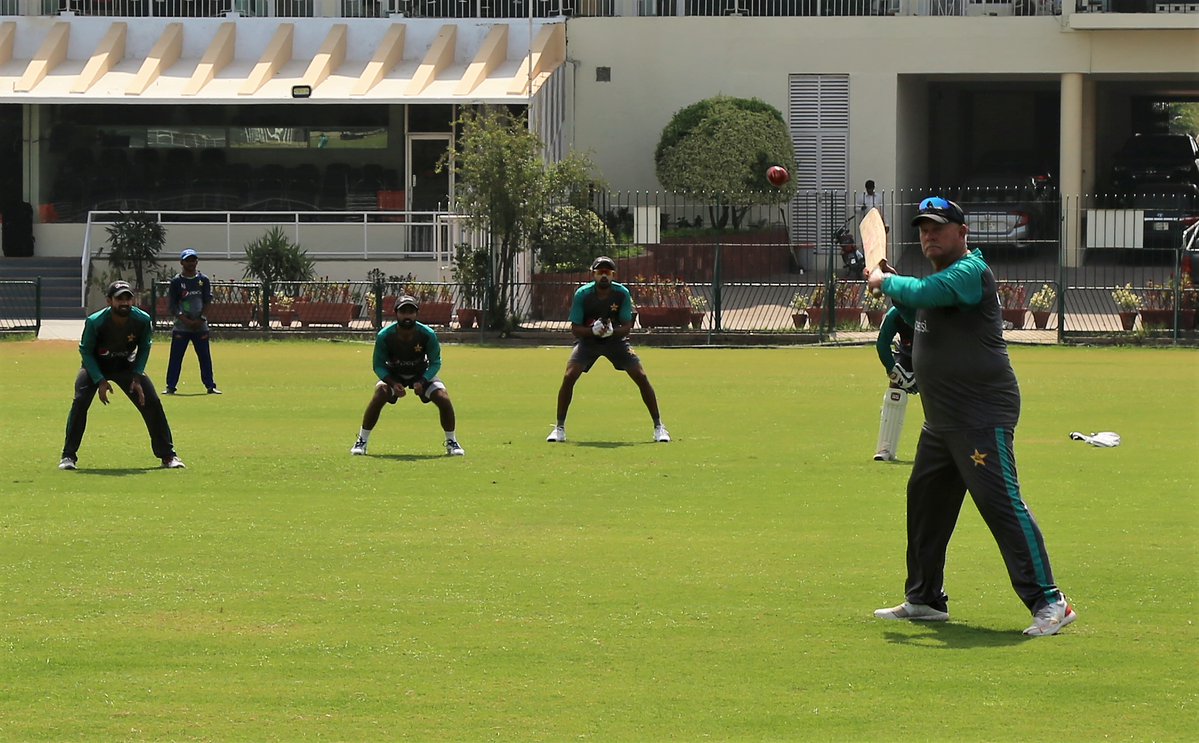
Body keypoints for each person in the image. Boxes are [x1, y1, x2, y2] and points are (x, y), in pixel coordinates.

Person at [866, 196, 1076, 637]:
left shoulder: (969, 272)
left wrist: (887, 281)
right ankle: (924, 599)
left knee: (1001, 505)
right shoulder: (940, 280)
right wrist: (891, 295)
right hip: (941, 419)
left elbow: (924, 294)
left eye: (938, 228)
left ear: (963, 234)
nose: (928, 235)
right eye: (923, 228)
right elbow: (918, 308)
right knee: (925, 507)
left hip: (981, 414)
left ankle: (1050, 601)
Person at [59, 281, 185, 470]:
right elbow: (85, 351)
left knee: (151, 402)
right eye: (119, 299)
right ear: (109, 301)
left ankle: (168, 456)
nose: (124, 303)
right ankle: (68, 456)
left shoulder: (142, 320)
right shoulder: (96, 321)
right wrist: (99, 380)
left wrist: (136, 377)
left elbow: (144, 347)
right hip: (96, 365)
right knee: (80, 401)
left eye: (128, 298)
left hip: (126, 365)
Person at [547, 256, 670, 444]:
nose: (603, 275)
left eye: (607, 272)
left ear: (613, 274)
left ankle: (659, 427)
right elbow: (575, 328)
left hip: (616, 342)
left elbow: (627, 326)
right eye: (599, 272)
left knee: (641, 376)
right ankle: (559, 428)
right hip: (589, 342)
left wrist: (612, 331)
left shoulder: (621, 293)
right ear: (593, 274)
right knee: (569, 376)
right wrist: (592, 331)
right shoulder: (583, 294)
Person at [350, 295, 465, 457]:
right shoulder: (385, 336)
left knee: (443, 398)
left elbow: (435, 363)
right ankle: (362, 441)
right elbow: (378, 365)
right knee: (380, 395)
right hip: (394, 374)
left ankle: (452, 442)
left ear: (416, 314)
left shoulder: (427, 334)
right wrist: (392, 382)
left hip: (421, 374)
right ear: (396, 313)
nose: (407, 316)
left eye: (411, 312)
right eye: (403, 311)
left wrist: (423, 380)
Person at [165, 248, 221, 395]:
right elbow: (173, 305)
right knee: (176, 357)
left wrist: (201, 318)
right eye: (188, 260)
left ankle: (210, 385)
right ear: (182, 262)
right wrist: (185, 320)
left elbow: (207, 301)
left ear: (197, 262)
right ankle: (171, 386)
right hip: (181, 327)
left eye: (193, 260)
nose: (191, 263)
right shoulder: (177, 282)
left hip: (200, 327)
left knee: (205, 357)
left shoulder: (203, 280)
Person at [873, 303, 917, 462]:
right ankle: (886, 448)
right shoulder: (894, 314)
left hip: (937, 356)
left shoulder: (931, 310)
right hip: (908, 355)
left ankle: (949, 452)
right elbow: (882, 344)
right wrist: (895, 373)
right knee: (895, 392)